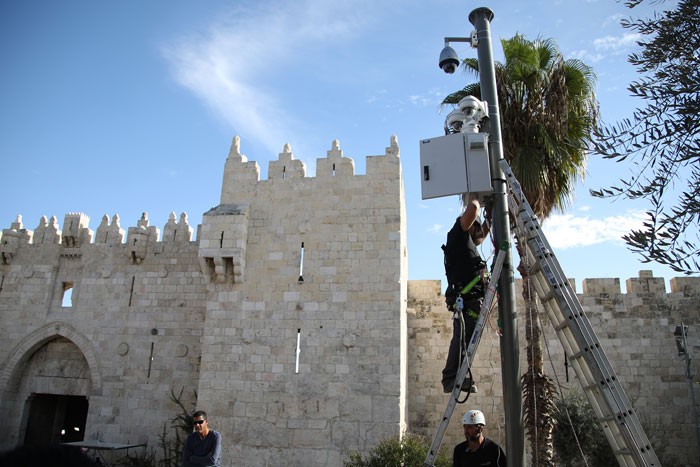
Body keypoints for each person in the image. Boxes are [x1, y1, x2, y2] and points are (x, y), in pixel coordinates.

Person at [441, 193, 490, 393]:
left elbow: (480, 235)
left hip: (470, 301)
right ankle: (451, 378)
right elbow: (472, 210)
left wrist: (492, 217)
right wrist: (477, 198)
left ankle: (456, 376)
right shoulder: (457, 234)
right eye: (476, 228)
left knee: (466, 339)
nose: (479, 236)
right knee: (462, 338)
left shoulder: (466, 242)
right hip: (466, 301)